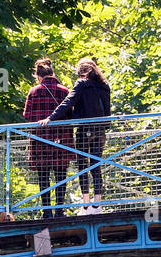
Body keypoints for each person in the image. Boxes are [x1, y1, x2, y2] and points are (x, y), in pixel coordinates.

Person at [40, 57, 112, 215]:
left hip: (84, 131)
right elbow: (107, 110)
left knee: (82, 166)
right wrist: (105, 126)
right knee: (96, 166)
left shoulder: (81, 84)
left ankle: (85, 206)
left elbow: (68, 102)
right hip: (100, 130)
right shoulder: (104, 85)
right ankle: (97, 206)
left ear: (81, 72)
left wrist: (50, 118)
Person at [22, 58, 74, 217]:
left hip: (40, 140)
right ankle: (60, 209)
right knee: (60, 175)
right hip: (61, 139)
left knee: (43, 176)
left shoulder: (33, 91)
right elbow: (70, 114)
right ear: (52, 73)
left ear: (38, 76)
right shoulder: (64, 91)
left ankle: (47, 212)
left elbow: (27, 116)